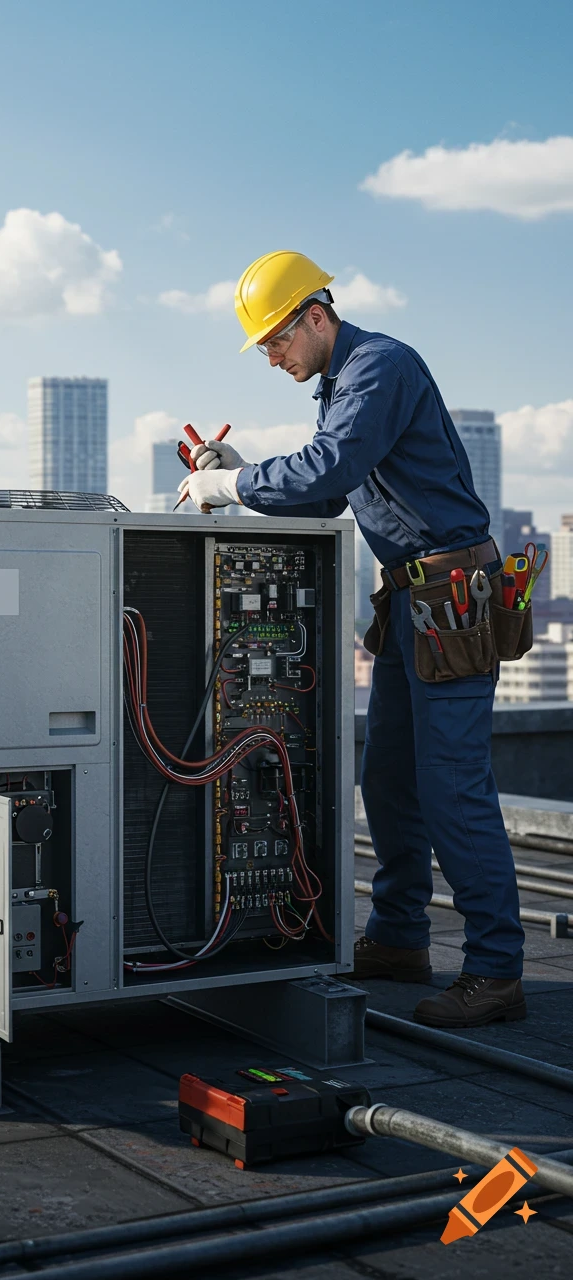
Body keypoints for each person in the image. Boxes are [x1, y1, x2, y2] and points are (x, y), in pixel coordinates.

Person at [178, 250, 525, 1029]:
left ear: (316, 315)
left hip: (451, 601)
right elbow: (333, 489)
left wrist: (229, 485)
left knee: (453, 788)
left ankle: (497, 971)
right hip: (412, 603)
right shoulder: (343, 384)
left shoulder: (380, 366)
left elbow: (328, 467)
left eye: (275, 340)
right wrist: (243, 469)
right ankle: (399, 937)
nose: (271, 357)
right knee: (389, 780)